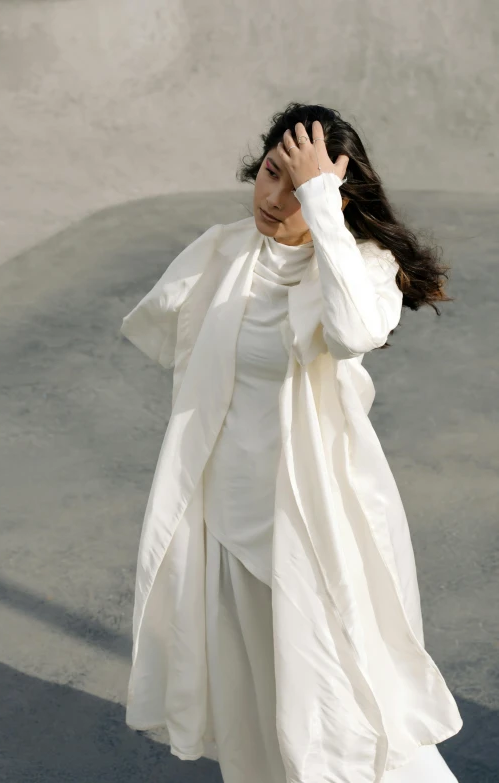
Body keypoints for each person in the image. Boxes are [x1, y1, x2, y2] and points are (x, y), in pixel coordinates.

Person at [120, 102, 462, 783]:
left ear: (334, 197)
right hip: (229, 527)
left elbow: (351, 330)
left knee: (348, 715)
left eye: (296, 186)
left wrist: (322, 204)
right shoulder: (225, 254)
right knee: (255, 727)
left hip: (310, 529)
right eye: (271, 173)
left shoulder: (361, 265)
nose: (274, 198)